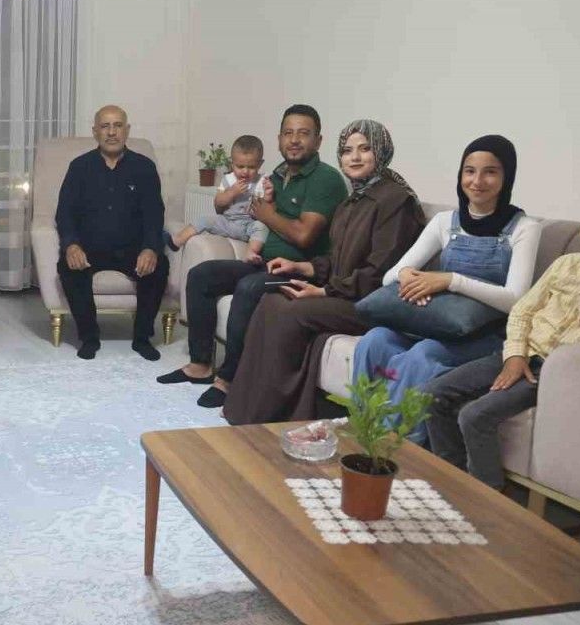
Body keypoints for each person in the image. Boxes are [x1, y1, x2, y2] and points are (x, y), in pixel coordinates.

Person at [425, 184, 580, 489]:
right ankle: (450, 482)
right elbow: (522, 310)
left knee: (475, 416)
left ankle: (488, 498)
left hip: (553, 375)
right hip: (517, 354)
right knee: (431, 395)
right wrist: (515, 355)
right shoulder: (565, 265)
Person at [223, 119, 426, 424]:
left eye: (365, 149)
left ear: (382, 151)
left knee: (288, 311)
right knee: (272, 301)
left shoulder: (396, 201)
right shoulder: (352, 201)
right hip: (345, 294)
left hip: (371, 302)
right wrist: (302, 266)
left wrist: (324, 290)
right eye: (347, 151)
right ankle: (251, 410)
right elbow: (336, 258)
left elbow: (381, 273)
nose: (354, 157)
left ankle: (267, 418)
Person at [352, 136, 541, 443]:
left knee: (423, 355)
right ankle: (361, 428)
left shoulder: (524, 228)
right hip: (434, 325)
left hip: (485, 337)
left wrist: (450, 280)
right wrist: (410, 277)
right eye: (469, 171)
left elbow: (517, 299)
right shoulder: (444, 222)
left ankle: (395, 444)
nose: (477, 181)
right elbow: (390, 277)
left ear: (507, 177)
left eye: (490, 172)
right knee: (374, 340)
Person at [158, 105, 348, 408]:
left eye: (303, 133)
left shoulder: (326, 179)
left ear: (318, 141)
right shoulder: (276, 176)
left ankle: (230, 379)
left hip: (300, 271)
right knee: (201, 275)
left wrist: (267, 214)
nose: (294, 140)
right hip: (263, 264)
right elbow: (241, 211)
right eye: (288, 133)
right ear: (279, 139)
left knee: (248, 288)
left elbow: (304, 235)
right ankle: (200, 365)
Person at [55, 104, 169, 360]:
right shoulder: (79, 167)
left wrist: (150, 248)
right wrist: (71, 245)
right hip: (90, 248)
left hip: (132, 248)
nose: (111, 132)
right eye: (105, 126)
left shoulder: (144, 167)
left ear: (126, 130)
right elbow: (64, 213)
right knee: (68, 267)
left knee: (159, 266)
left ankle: (142, 338)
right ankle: (89, 337)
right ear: (95, 132)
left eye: (117, 125)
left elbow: (154, 214)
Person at [164, 135, 268, 264]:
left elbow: (266, 206)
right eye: (240, 166)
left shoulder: (262, 181)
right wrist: (232, 192)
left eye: (251, 167)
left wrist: (267, 195)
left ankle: (250, 252)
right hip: (228, 222)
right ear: (232, 164)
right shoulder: (229, 179)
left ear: (260, 164)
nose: (245, 172)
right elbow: (218, 202)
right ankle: (178, 240)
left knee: (261, 227)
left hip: (248, 225)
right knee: (204, 219)